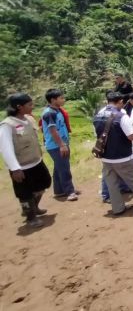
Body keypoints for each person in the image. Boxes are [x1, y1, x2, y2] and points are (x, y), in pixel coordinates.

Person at [0, 93, 52, 227]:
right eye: (29, 104)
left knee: (44, 183)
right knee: (25, 193)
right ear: (19, 107)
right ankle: (31, 217)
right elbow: (6, 149)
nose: (32, 107)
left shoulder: (29, 119)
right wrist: (15, 168)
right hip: (21, 167)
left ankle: (33, 208)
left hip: (36, 161)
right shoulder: (7, 125)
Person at [42, 88, 77, 201]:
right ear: (53, 100)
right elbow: (53, 131)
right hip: (56, 146)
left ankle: (59, 191)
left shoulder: (57, 111)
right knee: (64, 169)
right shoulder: (49, 113)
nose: (63, 100)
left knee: (58, 168)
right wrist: (62, 145)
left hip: (60, 144)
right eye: (61, 98)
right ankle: (70, 191)